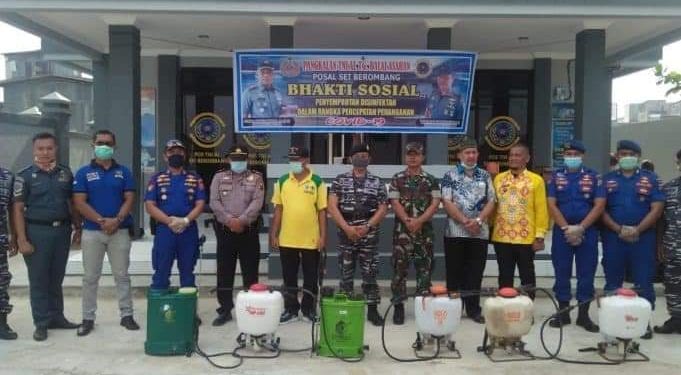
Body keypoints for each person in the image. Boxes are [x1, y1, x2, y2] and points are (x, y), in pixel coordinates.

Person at [12, 132, 81, 341]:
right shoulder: (24, 176)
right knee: (39, 279)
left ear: (55, 149)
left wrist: (78, 227)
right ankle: (41, 322)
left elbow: (72, 203)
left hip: (62, 231)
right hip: (36, 232)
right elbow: (17, 209)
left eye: (49, 148)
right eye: (40, 148)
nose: (45, 152)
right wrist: (21, 239)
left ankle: (56, 317)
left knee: (56, 277)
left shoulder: (65, 173)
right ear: (34, 150)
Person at [73, 130, 139, 336]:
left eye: (108, 143)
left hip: (119, 231)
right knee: (90, 277)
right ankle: (88, 318)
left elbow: (129, 198)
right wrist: (101, 221)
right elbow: (79, 202)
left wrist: (117, 220)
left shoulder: (124, 172)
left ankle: (127, 315)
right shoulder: (83, 172)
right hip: (93, 232)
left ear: (114, 146)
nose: (104, 146)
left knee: (122, 275)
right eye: (100, 142)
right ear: (93, 144)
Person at [602, 140, 664, 339]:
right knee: (613, 281)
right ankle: (611, 322)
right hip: (614, 237)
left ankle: (644, 323)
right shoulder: (607, 179)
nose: (625, 157)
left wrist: (637, 229)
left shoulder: (652, 179)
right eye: (621, 154)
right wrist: (618, 228)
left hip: (643, 238)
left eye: (629, 153)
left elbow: (657, 208)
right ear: (617, 157)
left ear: (638, 156)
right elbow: (600, 208)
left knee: (643, 280)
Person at [546, 140, 604, 332]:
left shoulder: (594, 177)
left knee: (586, 274)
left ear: (582, 156)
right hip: (562, 232)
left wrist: (580, 228)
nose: (571, 157)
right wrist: (566, 229)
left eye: (575, 154)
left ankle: (583, 315)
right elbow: (552, 204)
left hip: (587, 232)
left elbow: (599, 204)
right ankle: (563, 314)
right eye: (568, 154)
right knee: (561, 272)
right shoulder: (555, 177)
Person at [327, 143, 388, 326]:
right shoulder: (340, 179)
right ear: (351, 158)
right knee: (346, 274)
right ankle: (345, 308)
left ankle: (372, 310)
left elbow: (383, 207)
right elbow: (332, 205)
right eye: (358, 155)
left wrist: (368, 226)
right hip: (346, 233)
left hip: (368, 233)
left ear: (369, 159)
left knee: (370, 273)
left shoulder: (377, 182)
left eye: (364, 155)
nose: (361, 158)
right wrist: (346, 227)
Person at [440, 138, 496, 324]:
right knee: (454, 272)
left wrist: (478, 221)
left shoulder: (485, 176)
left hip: (479, 233)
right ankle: (454, 309)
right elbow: (447, 201)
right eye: (467, 152)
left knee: (475, 272)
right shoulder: (450, 176)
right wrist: (465, 221)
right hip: (456, 232)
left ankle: (473, 309)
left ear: (477, 155)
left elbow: (491, 201)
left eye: (473, 152)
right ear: (459, 155)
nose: (471, 155)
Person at [269, 146, 327, 324]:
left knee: (310, 276)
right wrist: (274, 233)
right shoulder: (282, 181)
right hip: (287, 238)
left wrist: (323, 236)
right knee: (289, 276)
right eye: (292, 159)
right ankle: (291, 309)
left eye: (298, 159)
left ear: (306, 160)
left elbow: (322, 212)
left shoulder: (317, 181)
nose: (295, 163)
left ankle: (308, 309)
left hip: (310, 239)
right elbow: (278, 209)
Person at [209, 145, 264, 326]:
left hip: (248, 231)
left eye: (241, 159)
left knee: (250, 272)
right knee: (224, 272)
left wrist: (241, 221)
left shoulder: (256, 178)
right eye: (235, 158)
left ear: (246, 159)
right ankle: (225, 309)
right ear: (229, 159)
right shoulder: (219, 177)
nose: (238, 162)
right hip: (226, 232)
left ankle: (250, 308)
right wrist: (229, 220)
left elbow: (257, 202)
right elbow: (214, 202)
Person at [388, 142, 440, 325]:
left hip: (424, 233)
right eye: (409, 154)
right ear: (405, 157)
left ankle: (422, 307)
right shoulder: (397, 179)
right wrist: (408, 220)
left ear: (422, 157)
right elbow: (394, 203)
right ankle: (398, 307)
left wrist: (419, 221)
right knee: (399, 271)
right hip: (402, 233)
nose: (412, 157)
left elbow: (435, 203)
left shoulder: (431, 180)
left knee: (424, 271)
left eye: (416, 154)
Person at [144, 140, 206, 292]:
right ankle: (159, 313)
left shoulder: (195, 178)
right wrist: (169, 221)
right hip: (165, 230)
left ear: (184, 155)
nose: (176, 155)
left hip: (188, 229)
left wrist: (185, 220)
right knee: (161, 271)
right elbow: (149, 205)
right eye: (172, 152)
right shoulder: (156, 179)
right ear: (165, 156)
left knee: (188, 273)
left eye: (179, 152)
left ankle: (189, 313)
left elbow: (200, 204)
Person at [491, 142, 549, 300]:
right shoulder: (499, 179)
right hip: (501, 236)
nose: (513, 158)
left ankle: (527, 308)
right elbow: (493, 207)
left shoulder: (536, 180)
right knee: (504, 274)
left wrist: (540, 235)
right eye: (511, 155)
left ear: (527, 158)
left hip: (526, 237)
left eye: (518, 155)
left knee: (527, 275)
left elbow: (541, 209)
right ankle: (504, 307)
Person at [654, 148, 681, 334]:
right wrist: (659, 244)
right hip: (673, 245)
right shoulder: (669, 188)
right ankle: (676, 320)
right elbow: (660, 220)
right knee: (672, 285)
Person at [0, 165, 18, 340]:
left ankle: (1, 323)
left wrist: (14, 236)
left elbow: (12, 209)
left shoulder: (6, 177)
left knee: (1, 280)